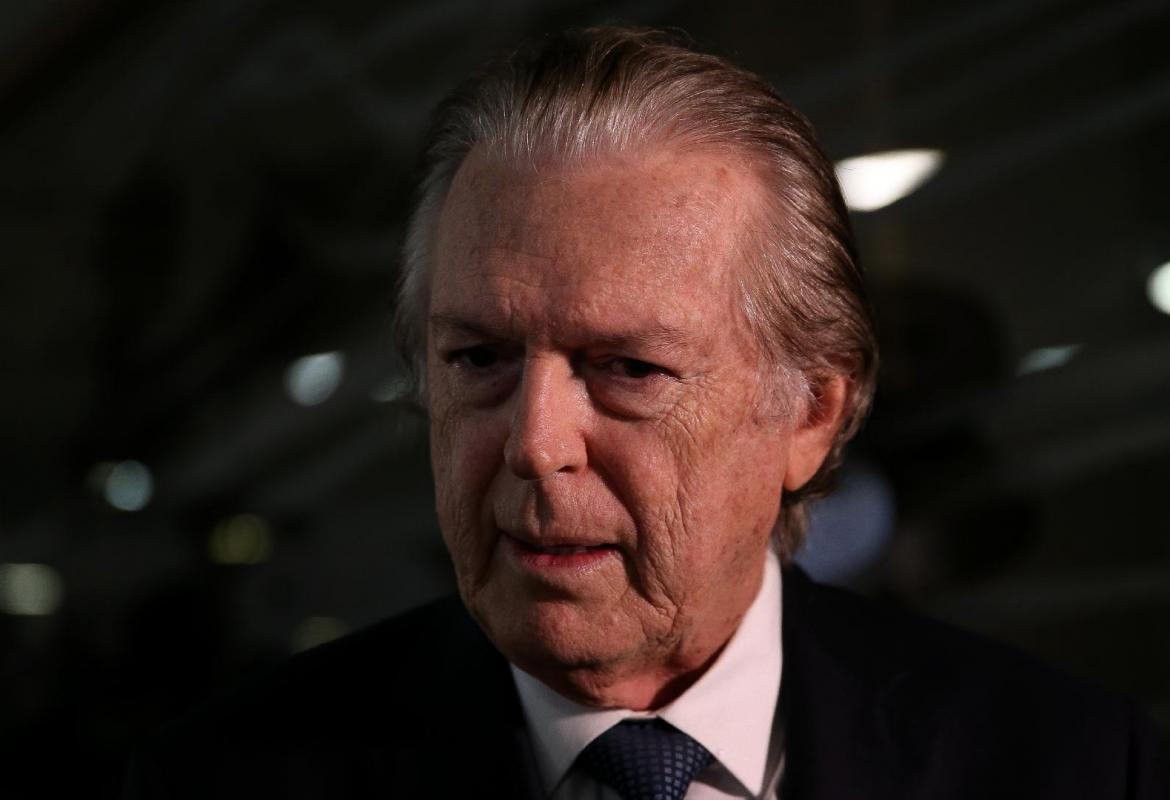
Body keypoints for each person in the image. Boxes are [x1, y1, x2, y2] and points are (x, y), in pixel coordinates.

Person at [125, 26, 1168, 799]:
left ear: (811, 413)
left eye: (627, 367)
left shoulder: (1068, 765)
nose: (535, 443)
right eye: (479, 358)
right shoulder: (215, 782)